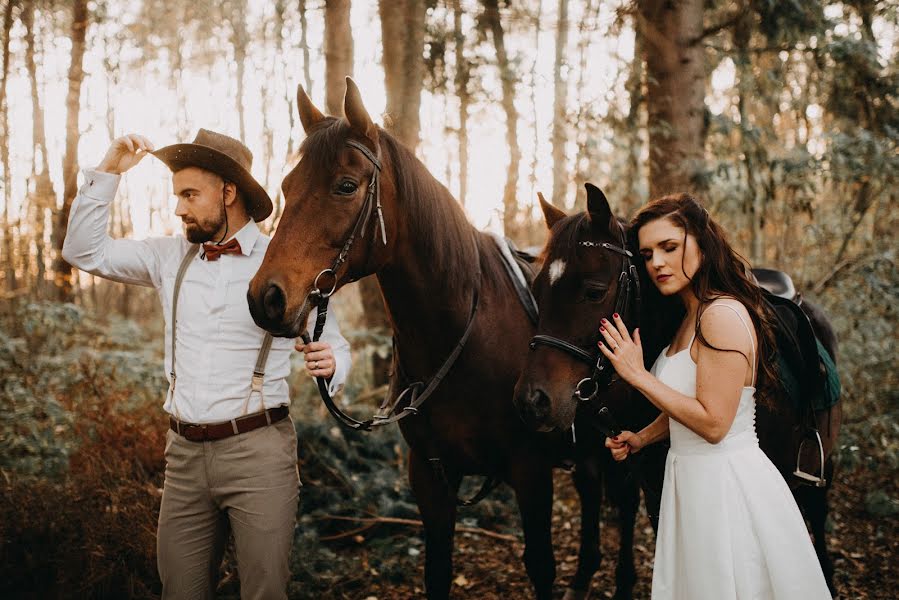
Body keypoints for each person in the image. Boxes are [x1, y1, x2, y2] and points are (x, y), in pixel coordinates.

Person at [62, 130, 351, 599]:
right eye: (178, 196)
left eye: (189, 195)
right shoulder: (166, 257)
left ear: (228, 192)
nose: (179, 208)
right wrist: (107, 171)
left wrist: (332, 362)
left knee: (264, 593)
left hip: (259, 453)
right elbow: (83, 252)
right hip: (183, 457)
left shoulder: (285, 264)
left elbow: (337, 346)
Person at [598, 193, 830, 599]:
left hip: (725, 487)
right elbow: (685, 404)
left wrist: (637, 375)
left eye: (670, 247)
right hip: (690, 480)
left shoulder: (721, 314)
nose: (657, 263)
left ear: (703, 244)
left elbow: (714, 423)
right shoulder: (689, 316)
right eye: (648, 253)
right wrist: (642, 438)